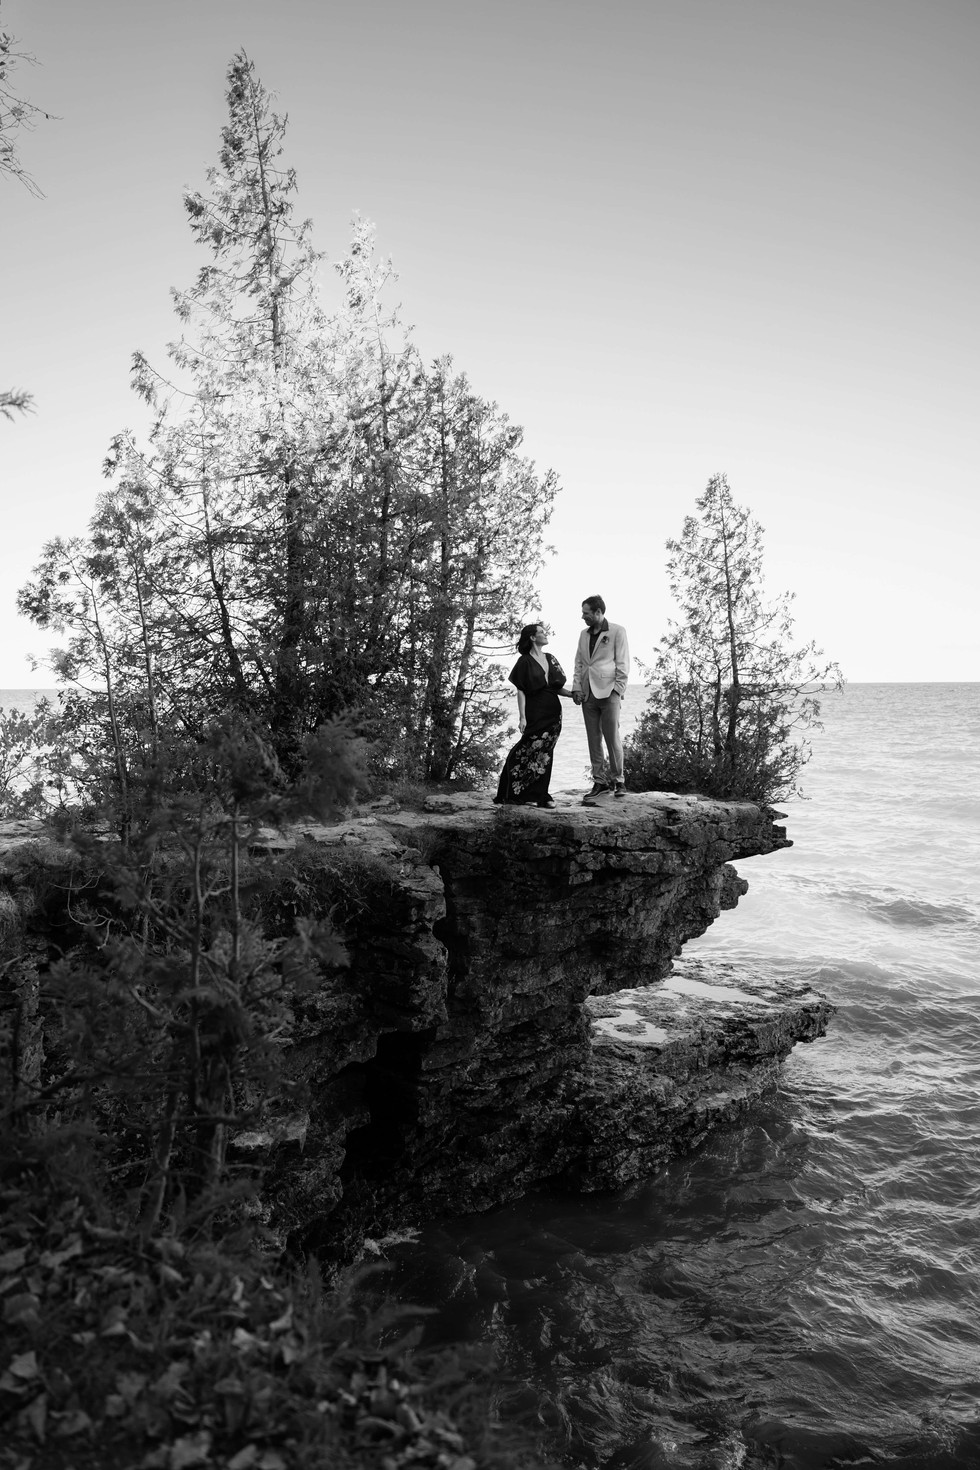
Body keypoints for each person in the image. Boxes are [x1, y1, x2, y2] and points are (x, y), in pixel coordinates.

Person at [494, 622, 574, 808]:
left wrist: (571, 695)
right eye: (541, 632)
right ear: (532, 637)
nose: (545, 635)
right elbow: (521, 690)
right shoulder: (524, 661)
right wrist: (522, 717)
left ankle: (542, 796)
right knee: (523, 751)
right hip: (534, 711)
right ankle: (512, 792)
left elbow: (556, 687)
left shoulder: (550, 658)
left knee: (545, 753)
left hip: (553, 713)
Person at [572, 595, 630, 802]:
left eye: (586, 613)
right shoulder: (583, 634)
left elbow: (623, 663)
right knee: (593, 738)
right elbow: (580, 663)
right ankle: (600, 781)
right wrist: (577, 688)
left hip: (609, 692)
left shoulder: (617, 631)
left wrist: (618, 690)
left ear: (598, 612)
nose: (582, 617)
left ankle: (619, 780)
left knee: (612, 736)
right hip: (588, 693)